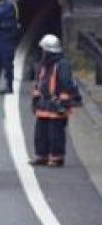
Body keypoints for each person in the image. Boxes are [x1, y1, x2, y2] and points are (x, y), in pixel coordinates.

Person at [30, 34, 80, 167]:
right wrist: (35, 99)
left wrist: (63, 102)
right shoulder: (43, 64)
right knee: (41, 133)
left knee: (55, 133)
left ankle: (56, 157)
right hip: (43, 103)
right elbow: (39, 82)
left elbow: (65, 83)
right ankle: (42, 155)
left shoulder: (62, 64)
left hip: (56, 104)